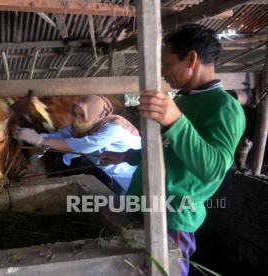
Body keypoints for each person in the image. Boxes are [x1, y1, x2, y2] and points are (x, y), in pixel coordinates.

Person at [99, 24, 246, 276]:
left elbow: (213, 169)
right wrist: (128, 156)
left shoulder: (224, 107)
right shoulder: (183, 100)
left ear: (191, 59)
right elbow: (167, 150)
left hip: (172, 216)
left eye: (167, 64)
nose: (163, 72)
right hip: (142, 202)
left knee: (165, 271)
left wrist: (177, 121)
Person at [14, 95, 141, 194]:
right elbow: (59, 136)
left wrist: (40, 141)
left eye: (82, 115)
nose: (76, 120)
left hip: (135, 176)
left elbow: (83, 145)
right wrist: (35, 137)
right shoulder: (82, 127)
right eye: (74, 114)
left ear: (99, 115)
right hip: (114, 176)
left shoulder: (114, 128)